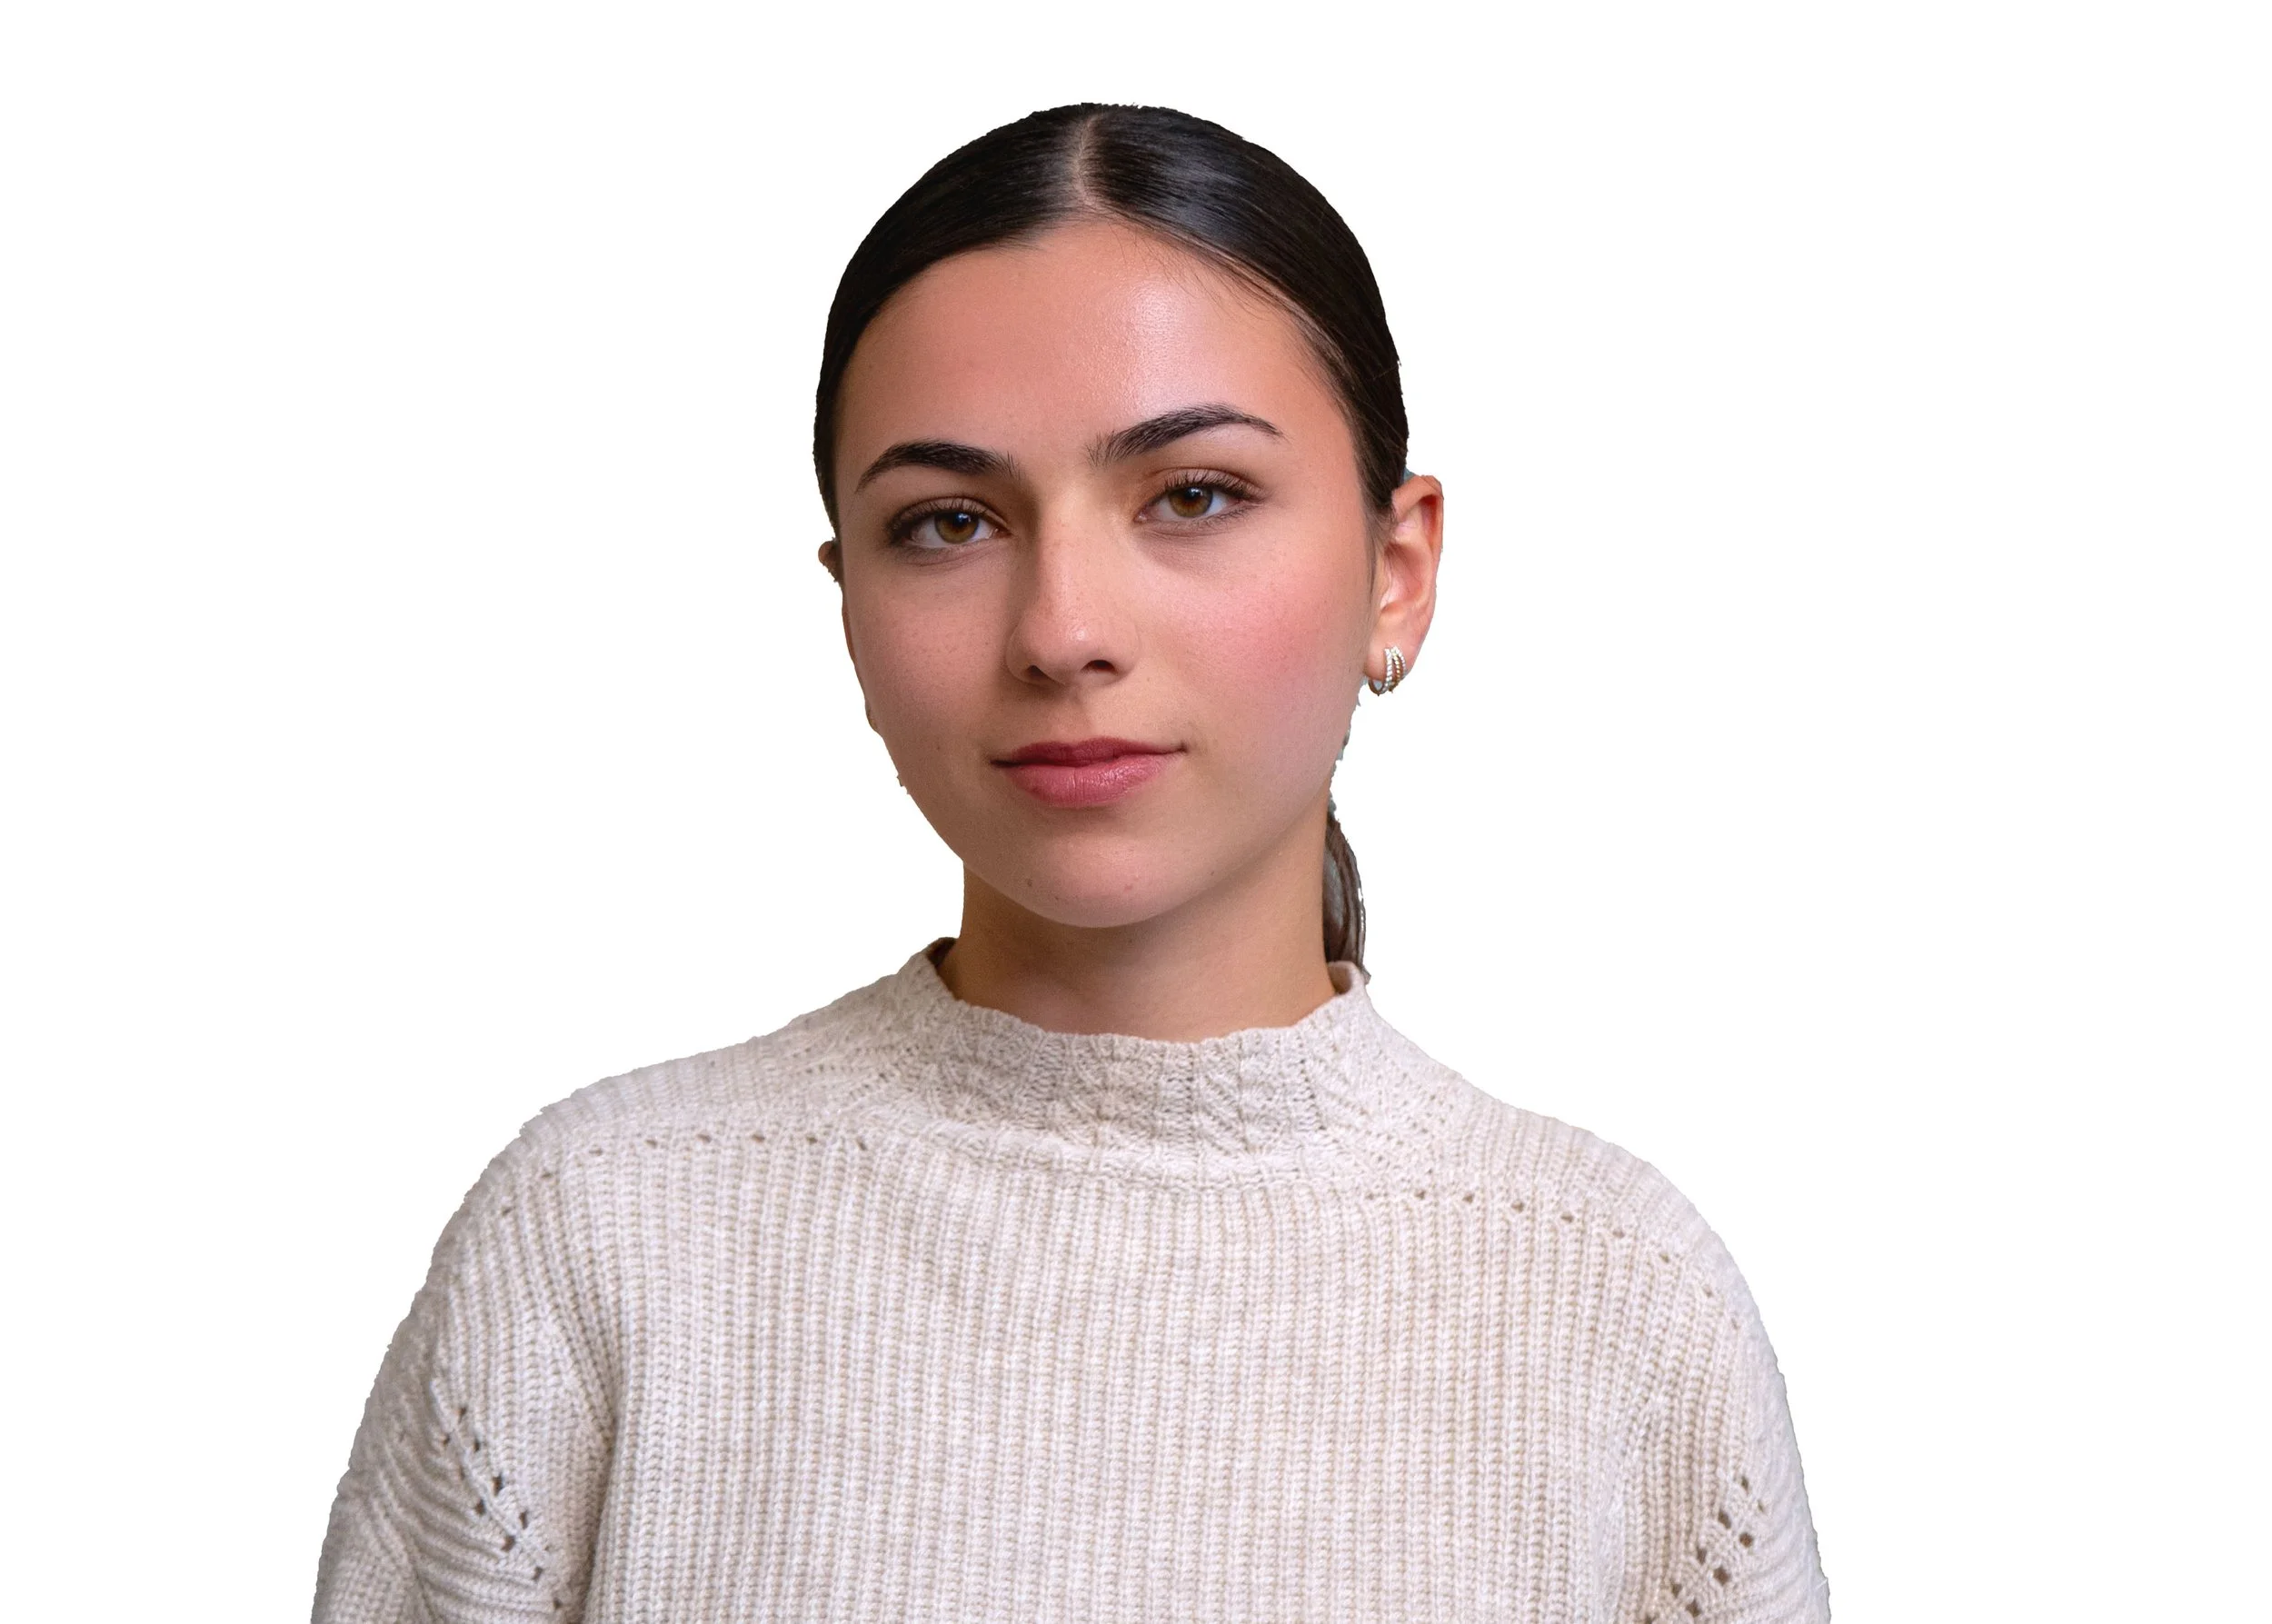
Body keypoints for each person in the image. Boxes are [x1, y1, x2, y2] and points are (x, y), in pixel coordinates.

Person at [313, 103, 1830, 1623]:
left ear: (1397, 569)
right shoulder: (601, 1242)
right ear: (847, 594)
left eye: (1194, 495)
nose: (1062, 630)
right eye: (949, 521)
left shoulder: (1624, 1309)